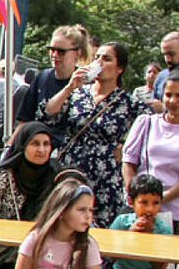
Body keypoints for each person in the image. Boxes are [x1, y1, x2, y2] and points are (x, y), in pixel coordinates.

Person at [48, 40, 146, 222]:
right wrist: (70, 86)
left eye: (106, 59)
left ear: (119, 68)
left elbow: (148, 126)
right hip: (72, 170)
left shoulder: (128, 102)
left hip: (105, 177)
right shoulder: (78, 93)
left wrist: (124, 144)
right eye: (97, 57)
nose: (99, 63)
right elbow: (48, 113)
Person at [121, 69, 179, 225]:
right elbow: (128, 163)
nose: (173, 100)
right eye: (168, 95)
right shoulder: (145, 122)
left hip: (174, 214)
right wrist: (137, 197)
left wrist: (157, 200)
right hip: (137, 210)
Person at [0, 123, 64, 220]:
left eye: (46, 144)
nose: (42, 150)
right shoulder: (3, 175)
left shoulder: (56, 177)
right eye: (35, 144)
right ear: (23, 145)